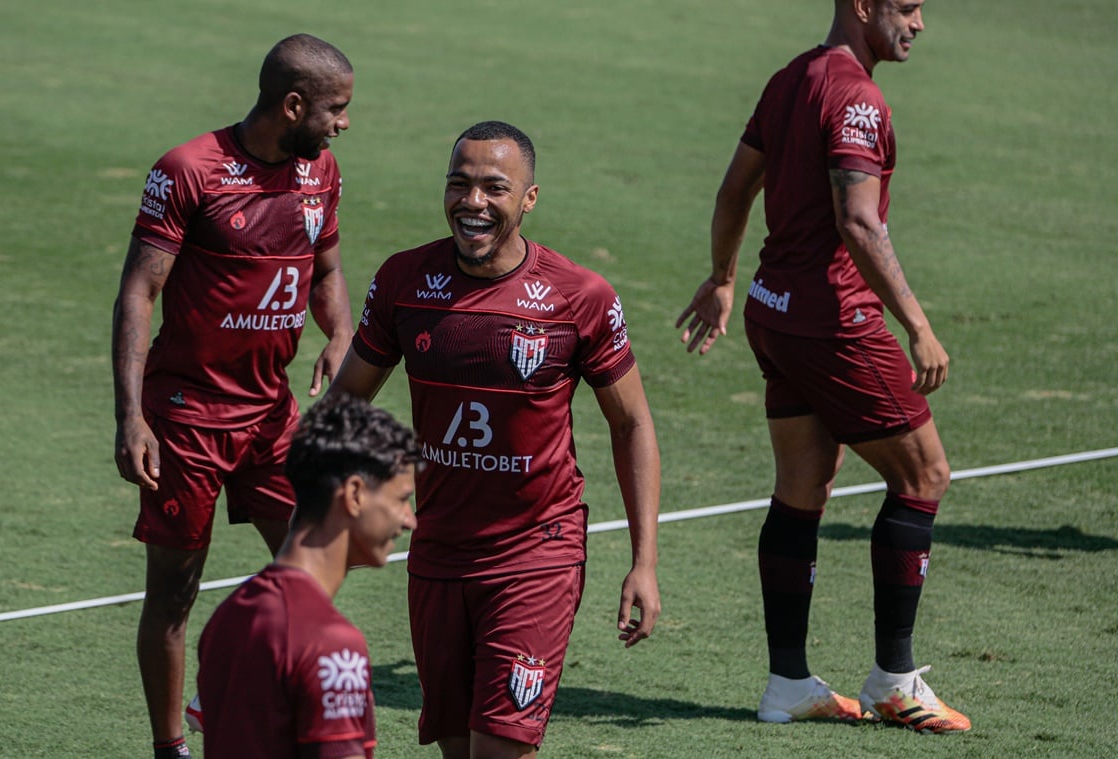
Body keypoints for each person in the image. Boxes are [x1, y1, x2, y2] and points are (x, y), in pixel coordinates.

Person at [676, 0, 970, 734]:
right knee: (924, 476)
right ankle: (895, 681)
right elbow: (859, 220)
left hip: (772, 310)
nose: (920, 22)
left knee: (802, 486)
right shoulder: (858, 97)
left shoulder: (790, 78)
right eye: (905, 6)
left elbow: (732, 188)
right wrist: (919, 325)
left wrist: (721, 278)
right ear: (862, 6)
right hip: (832, 322)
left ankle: (788, 683)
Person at [329, 120, 661, 758]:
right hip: (438, 553)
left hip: (537, 555)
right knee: (458, 750)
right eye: (459, 184)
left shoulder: (579, 297)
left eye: (494, 188)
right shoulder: (404, 280)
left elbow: (633, 424)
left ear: (528, 200)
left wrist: (643, 562)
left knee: (500, 750)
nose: (472, 202)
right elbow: (347, 403)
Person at [111, 34, 355, 758]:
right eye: (336, 110)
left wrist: (338, 330)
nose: (344, 124)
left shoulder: (322, 173)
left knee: (318, 553)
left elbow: (327, 270)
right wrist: (131, 415)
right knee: (175, 591)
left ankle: (217, 691)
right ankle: (170, 746)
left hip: (270, 412)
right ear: (293, 104)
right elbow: (138, 291)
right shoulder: (190, 171)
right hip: (186, 418)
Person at [194, 394, 419, 759]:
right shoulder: (331, 644)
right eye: (401, 499)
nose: (410, 520)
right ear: (355, 495)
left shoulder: (229, 615)